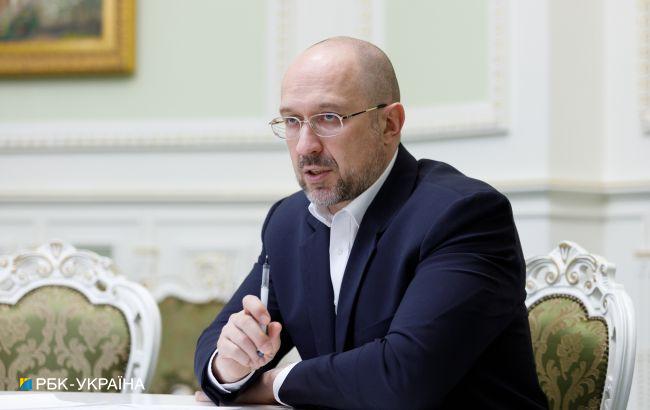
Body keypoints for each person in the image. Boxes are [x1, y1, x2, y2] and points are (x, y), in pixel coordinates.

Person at [194, 36, 548, 409]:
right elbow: (213, 344)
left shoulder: (464, 216)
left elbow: (403, 377)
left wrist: (274, 383)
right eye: (292, 121)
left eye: (328, 118)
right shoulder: (287, 222)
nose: (304, 146)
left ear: (389, 124)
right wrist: (231, 366)